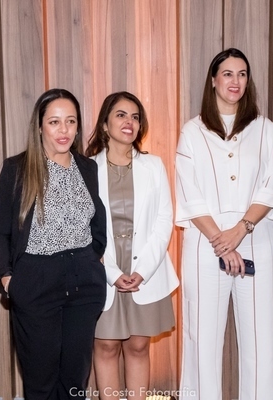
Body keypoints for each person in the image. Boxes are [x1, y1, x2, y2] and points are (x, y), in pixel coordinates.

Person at [175, 48, 273, 400]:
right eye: (227, 73)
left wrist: (240, 230)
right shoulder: (192, 131)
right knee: (201, 341)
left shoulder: (265, 129)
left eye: (242, 74)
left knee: (262, 340)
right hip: (205, 244)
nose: (235, 81)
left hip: (256, 239)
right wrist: (220, 240)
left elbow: (271, 186)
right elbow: (189, 193)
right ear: (213, 80)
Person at [0, 88, 107, 399]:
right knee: (40, 381)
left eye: (71, 121)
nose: (63, 129)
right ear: (39, 127)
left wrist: (93, 259)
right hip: (36, 281)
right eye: (54, 122)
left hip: (83, 282)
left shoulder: (88, 167)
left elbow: (97, 220)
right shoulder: (17, 169)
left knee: (75, 380)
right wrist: (6, 277)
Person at [86, 91, 179, 400]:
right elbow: (84, 228)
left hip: (146, 268)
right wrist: (112, 273)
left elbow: (164, 219)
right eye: (121, 115)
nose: (129, 122)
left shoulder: (154, 165)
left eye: (135, 117)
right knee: (106, 345)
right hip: (103, 266)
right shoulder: (87, 169)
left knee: (138, 345)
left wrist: (143, 270)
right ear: (105, 124)